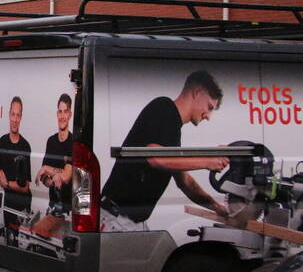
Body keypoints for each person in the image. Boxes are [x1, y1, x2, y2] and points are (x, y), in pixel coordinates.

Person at [101, 70, 229, 232]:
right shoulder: (163, 108)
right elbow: (155, 158)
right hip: (116, 218)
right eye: (209, 107)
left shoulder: (173, 129)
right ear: (197, 92)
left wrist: (217, 207)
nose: (208, 116)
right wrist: (208, 161)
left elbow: (186, 183)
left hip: (132, 222)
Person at [0, 96, 32, 246]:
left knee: (16, 243)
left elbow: (25, 187)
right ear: (8, 115)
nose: (14, 119)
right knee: (8, 240)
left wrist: (6, 184)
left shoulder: (25, 146)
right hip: (8, 202)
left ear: (21, 118)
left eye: (18, 115)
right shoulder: (3, 141)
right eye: (12, 114)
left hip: (21, 204)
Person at [32, 93, 74, 239]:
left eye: (65, 111)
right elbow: (43, 179)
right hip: (52, 209)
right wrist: (52, 179)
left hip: (68, 213)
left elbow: (67, 177)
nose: (62, 116)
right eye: (60, 111)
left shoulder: (73, 143)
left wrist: (47, 169)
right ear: (57, 114)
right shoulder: (51, 141)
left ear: (70, 114)